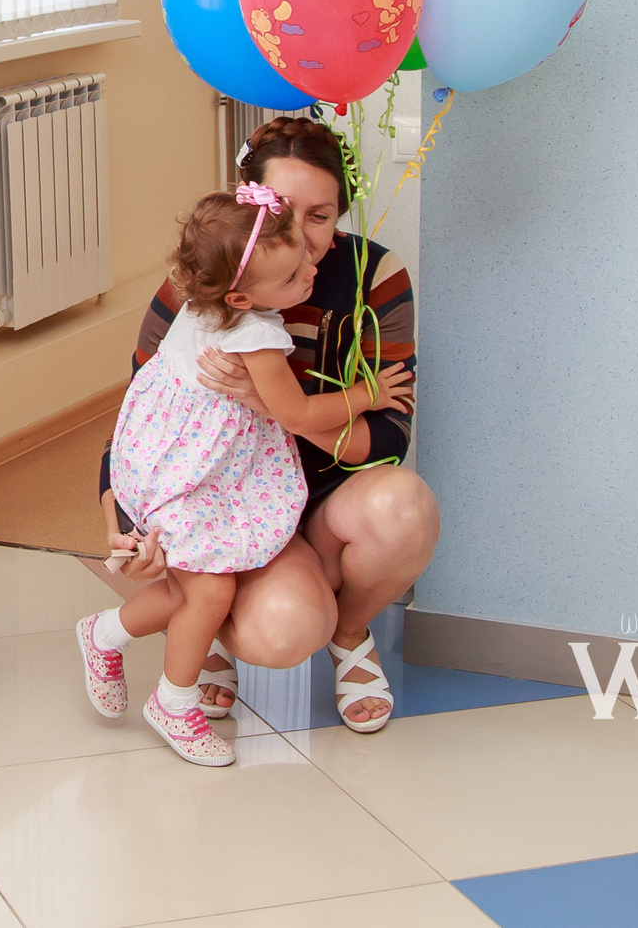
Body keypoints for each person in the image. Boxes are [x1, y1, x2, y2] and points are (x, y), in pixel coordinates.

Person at [91, 116, 436, 733]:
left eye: (321, 217)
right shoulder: (205, 284)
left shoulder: (374, 277)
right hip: (224, 501)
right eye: (283, 211)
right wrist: (127, 528)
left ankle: (351, 634)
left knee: (404, 507)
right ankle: (214, 630)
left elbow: (388, 437)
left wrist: (269, 404)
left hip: (323, 495)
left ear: (341, 213)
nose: (302, 242)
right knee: (282, 630)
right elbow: (139, 417)